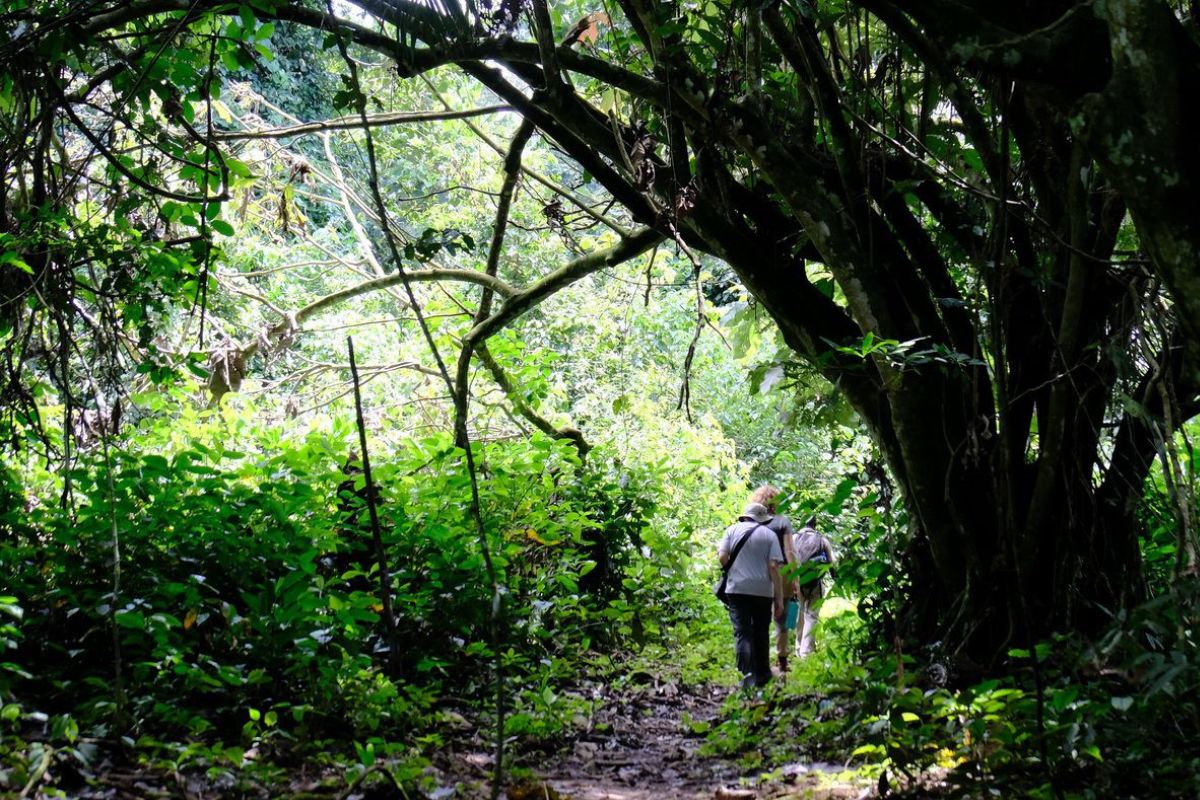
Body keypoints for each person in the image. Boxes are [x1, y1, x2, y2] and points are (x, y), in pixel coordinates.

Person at [718, 502, 784, 691]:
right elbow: (774, 567)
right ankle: (763, 676)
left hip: (737, 590)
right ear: (762, 519)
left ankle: (746, 677)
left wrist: (734, 569)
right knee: (761, 632)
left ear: (745, 516)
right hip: (763, 592)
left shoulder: (732, 530)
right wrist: (779, 598)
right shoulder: (770, 535)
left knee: (743, 632)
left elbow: (722, 557)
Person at [748, 485, 799, 674]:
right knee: (782, 620)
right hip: (782, 572)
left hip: (757, 573)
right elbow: (790, 551)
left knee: (759, 619)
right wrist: (795, 577)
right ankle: (782, 659)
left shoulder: (752, 521)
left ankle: (757, 660)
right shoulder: (782, 522)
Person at [793, 515, 835, 658]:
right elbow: (832, 562)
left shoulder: (793, 538)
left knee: (798, 615)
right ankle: (806, 652)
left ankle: (797, 648)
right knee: (811, 616)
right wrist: (836, 579)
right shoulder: (822, 540)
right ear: (815, 525)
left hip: (797, 583)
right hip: (815, 583)